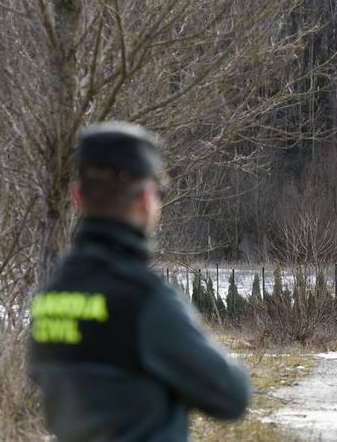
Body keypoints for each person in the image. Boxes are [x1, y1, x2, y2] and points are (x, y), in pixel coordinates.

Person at [28, 122, 251, 441]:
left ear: (76, 196)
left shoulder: (50, 296)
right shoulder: (147, 300)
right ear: (147, 199)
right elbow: (232, 396)